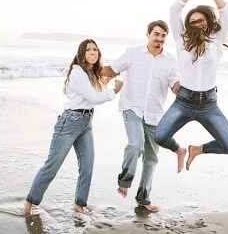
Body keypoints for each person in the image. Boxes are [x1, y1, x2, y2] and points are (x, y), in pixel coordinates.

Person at [23, 39, 123, 215]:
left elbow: (95, 95)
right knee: (52, 165)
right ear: (81, 54)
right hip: (69, 122)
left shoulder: (90, 73)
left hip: (86, 122)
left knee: (87, 165)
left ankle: (79, 203)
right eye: (89, 50)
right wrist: (114, 91)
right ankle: (29, 203)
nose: (93, 53)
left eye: (95, 50)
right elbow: (94, 98)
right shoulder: (77, 73)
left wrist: (107, 82)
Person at [155, 0, 228, 173]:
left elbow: (226, 11)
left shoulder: (216, 40)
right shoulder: (181, 39)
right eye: (192, 21)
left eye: (201, 20)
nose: (197, 24)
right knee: (160, 136)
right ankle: (180, 150)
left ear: (208, 21)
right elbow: (175, 9)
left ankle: (196, 149)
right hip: (184, 101)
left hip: (209, 104)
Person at [103, 20, 180, 212]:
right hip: (132, 108)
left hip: (155, 114)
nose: (159, 39)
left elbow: (176, 88)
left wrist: (194, 88)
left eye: (163, 36)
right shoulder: (132, 53)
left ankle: (143, 199)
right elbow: (112, 70)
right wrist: (87, 67)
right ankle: (125, 180)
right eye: (156, 34)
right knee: (135, 144)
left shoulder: (171, 61)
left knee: (152, 158)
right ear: (148, 34)